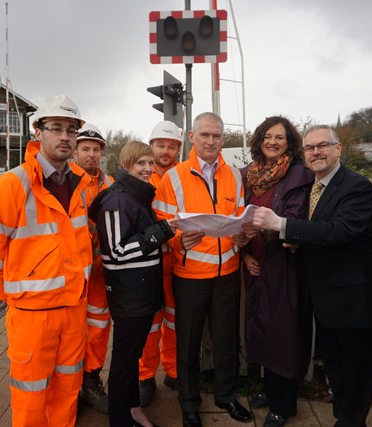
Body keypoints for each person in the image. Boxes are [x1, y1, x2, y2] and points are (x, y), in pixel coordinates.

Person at [250, 124, 372, 427]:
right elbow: (320, 235)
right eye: (310, 148)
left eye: (323, 145)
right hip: (326, 298)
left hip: (353, 298)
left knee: (354, 372)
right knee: (338, 369)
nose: (316, 152)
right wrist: (297, 240)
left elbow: (340, 230)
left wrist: (282, 225)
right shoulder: (315, 186)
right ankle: (345, 418)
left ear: (339, 149)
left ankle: (351, 422)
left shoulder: (356, 185)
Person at [0, 94, 93, 427]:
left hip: (73, 309)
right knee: (30, 398)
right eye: (56, 128)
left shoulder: (78, 184)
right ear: (38, 132)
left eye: (71, 129)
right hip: (32, 315)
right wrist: (13, 294)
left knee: (68, 390)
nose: (65, 136)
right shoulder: (11, 185)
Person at [153, 112, 252, 427]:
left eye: (217, 135)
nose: (211, 141)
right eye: (205, 135)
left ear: (224, 139)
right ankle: (189, 405)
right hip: (190, 277)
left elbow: (240, 217)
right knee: (188, 344)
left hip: (228, 274)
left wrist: (242, 233)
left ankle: (226, 396)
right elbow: (162, 226)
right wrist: (181, 241)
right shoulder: (174, 177)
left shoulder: (235, 175)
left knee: (225, 341)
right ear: (192, 137)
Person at [88, 141, 177, 427]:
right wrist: (161, 231)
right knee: (125, 362)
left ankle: (134, 410)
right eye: (141, 164)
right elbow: (115, 252)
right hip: (129, 294)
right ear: (126, 165)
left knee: (132, 357)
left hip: (141, 290)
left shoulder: (135, 196)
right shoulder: (117, 200)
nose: (149, 169)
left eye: (150, 163)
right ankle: (120, 419)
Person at [240, 116, 314, 427]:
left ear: (289, 143)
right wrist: (244, 254)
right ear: (259, 141)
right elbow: (238, 216)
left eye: (279, 138)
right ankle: (270, 391)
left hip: (284, 265)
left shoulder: (297, 174)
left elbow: (295, 219)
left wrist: (262, 231)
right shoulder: (249, 175)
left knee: (283, 334)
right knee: (261, 330)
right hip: (255, 265)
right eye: (268, 136)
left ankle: (283, 405)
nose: (273, 142)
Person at [138, 120, 183, 406]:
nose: (165, 151)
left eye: (171, 146)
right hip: (150, 264)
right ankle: (144, 377)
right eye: (160, 145)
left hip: (179, 261)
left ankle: (174, 370)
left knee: (176, 321)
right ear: (151, 145)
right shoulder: (141, 177)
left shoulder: (184, 176)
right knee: (150, 325)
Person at [72, 123, 114, 414]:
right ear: (75, 151)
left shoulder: (110, 184)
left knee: (99, 328)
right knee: (73, 331)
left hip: (101, 271)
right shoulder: (66, 183)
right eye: (85, 149)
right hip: (73, 273)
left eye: (96, 150)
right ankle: (70, 385)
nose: (91, 155)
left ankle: (91, 379)